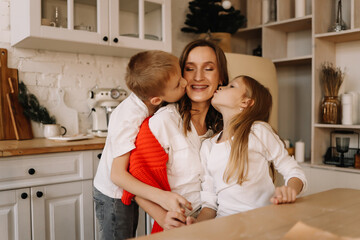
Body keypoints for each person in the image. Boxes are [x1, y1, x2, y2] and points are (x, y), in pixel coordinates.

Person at [132, 39, 230, 232]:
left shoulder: (226, 123)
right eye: (190, 68)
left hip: (224, 222)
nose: (198, 77)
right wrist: (161, 217)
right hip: (179, 228)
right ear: (181, 75)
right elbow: (134, 181)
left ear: (221, 77)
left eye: (208, 68)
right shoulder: (164, 122)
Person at [93, 50, 190, 240]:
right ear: (156, 99)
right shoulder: (128, 117)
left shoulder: (155, 103)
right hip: (113, 195)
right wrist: (162, 197)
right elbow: (117, 175)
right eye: (178, 83)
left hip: (130, 191)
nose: (185, 82)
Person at [189, 75, 307, 223]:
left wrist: (290, 190)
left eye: (231, 86)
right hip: (224, 226)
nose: (221, 87)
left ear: (246, 102)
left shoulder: (257, 132)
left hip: (262, 222)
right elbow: (209, 204)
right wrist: (195, 228)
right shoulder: (208, 146)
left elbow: (293, 170)